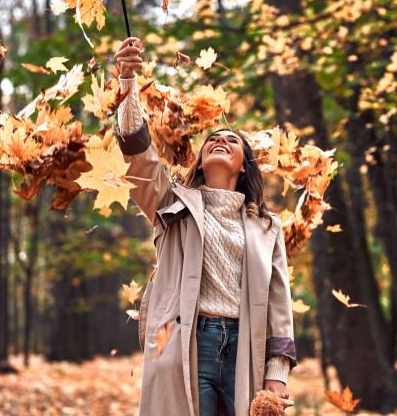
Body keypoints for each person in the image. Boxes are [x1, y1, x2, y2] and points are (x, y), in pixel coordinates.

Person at [113, 37, 296, 416]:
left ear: (243, 165)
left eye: (230, 140)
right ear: (198, 162)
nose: (219, 140)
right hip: (187, 343)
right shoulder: (173, 204)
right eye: (212, 139)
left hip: (245, 345)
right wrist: (127, 83)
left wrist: (276, 375)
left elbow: (279, 304)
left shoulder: (267, 227)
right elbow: (141, 162)